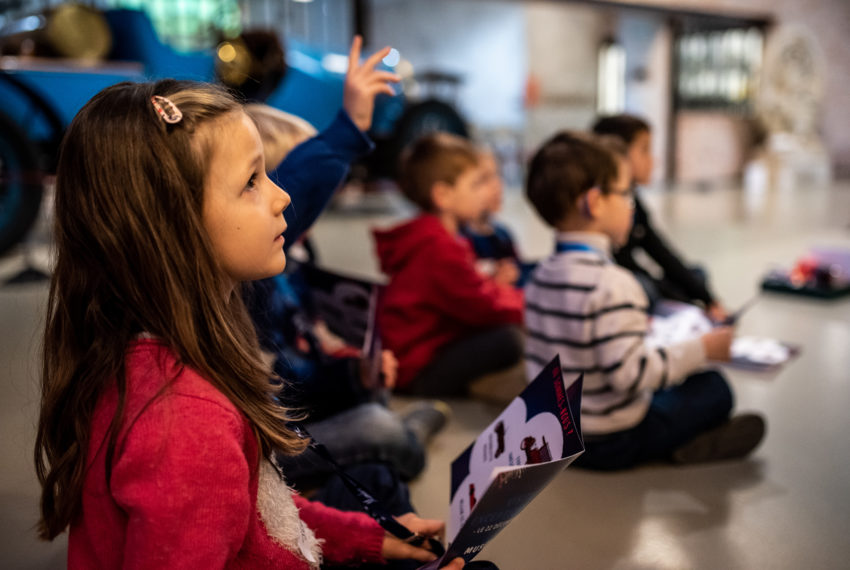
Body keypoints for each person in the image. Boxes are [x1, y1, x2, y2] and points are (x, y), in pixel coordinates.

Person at [34, 79, 464, 569]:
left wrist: (373, 539)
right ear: (176, 230)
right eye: (252, 182)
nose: (283, 197)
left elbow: (262, 507)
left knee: (383, 492)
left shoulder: (160, 348)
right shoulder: (187, 427)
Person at [244, 44, 448, 487]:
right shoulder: (252, 281)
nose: (286, 200)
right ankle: (404, 437)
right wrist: (349, 128)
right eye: (257, 185)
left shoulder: (288, 263)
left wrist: (353, 372)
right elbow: (288, 384)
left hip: (300, 402)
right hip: (274, 443)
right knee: (380, 433)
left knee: (375, 459)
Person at [523, 131, 765, 470]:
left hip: (557, 436)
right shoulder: (614, 284)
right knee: (713, 389)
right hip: (609, 442)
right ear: (594, 203)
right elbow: (634, 377)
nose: (631, 206)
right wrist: (704, 350)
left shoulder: (539, 275)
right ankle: (684, 445)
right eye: (627, 194)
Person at [374, 133, 524, 397]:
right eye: (476, 184)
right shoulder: (439, 247)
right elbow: (482, 306)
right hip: (416, 371)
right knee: (509, 339)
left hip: (420, 353)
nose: (484, 192)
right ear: (443, 195)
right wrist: (532, 303)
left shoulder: (432, 236)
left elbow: (471, 292)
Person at [591, 114, 727, 321]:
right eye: (644, 150)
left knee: (696, 274)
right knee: (644, 288)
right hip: (622, 286)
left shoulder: (633, 199)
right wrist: (692, 306)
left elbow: (660, 251)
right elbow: (627, 268)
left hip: (637, 279)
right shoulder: (606, 208)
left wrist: (708, 300)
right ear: (617, 155)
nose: (653, 160)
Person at [460, 148, 524, 287]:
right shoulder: (459, 240)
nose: (497, 185)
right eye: (485, 178)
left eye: (498, 175)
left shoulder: (502, 235)